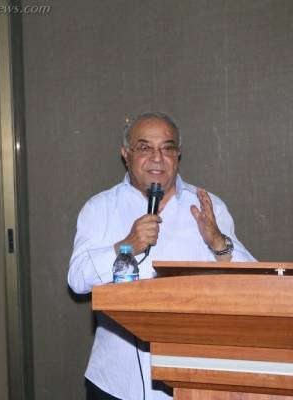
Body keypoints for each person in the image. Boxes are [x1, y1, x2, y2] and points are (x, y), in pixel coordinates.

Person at [67, 112, 255, 400]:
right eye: (144, 147)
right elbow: (77, 280)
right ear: (126, 154)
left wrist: (218, 242)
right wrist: (125, 246)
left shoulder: (208, 206)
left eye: (167, 148)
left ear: (178, 155)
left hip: (192, 379)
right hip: (116, 381)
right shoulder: (100, 208)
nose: (157, 158)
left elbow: (253, 285)